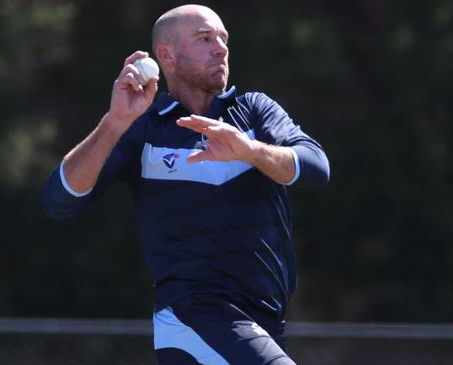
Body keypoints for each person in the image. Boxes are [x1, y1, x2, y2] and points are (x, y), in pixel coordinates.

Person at [42, 4, 329, 364]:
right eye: (205, 38)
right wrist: (115, 122)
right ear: (167, 56)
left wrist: (251, 152)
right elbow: (60, 200)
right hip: (197, 315)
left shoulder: (253, 110)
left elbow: (317, 167)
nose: (221, 47)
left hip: (263, 321)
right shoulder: (142, 128)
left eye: (223, 39)